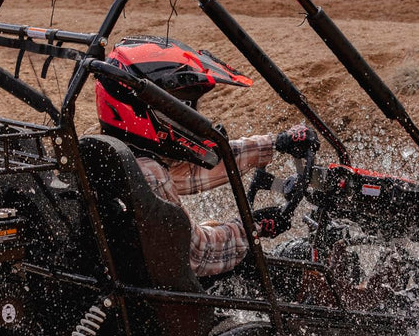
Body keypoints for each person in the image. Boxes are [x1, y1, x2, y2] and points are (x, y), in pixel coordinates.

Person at [94, 35, 318, 278]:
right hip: (160, 287)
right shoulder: (149, 174)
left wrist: (275, 143)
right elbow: (198, 255)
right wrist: (253, 226)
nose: (190, 118)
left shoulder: (116, 154)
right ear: (145, 110)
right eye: (181, 108)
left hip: (134, 273)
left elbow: (192, 172)